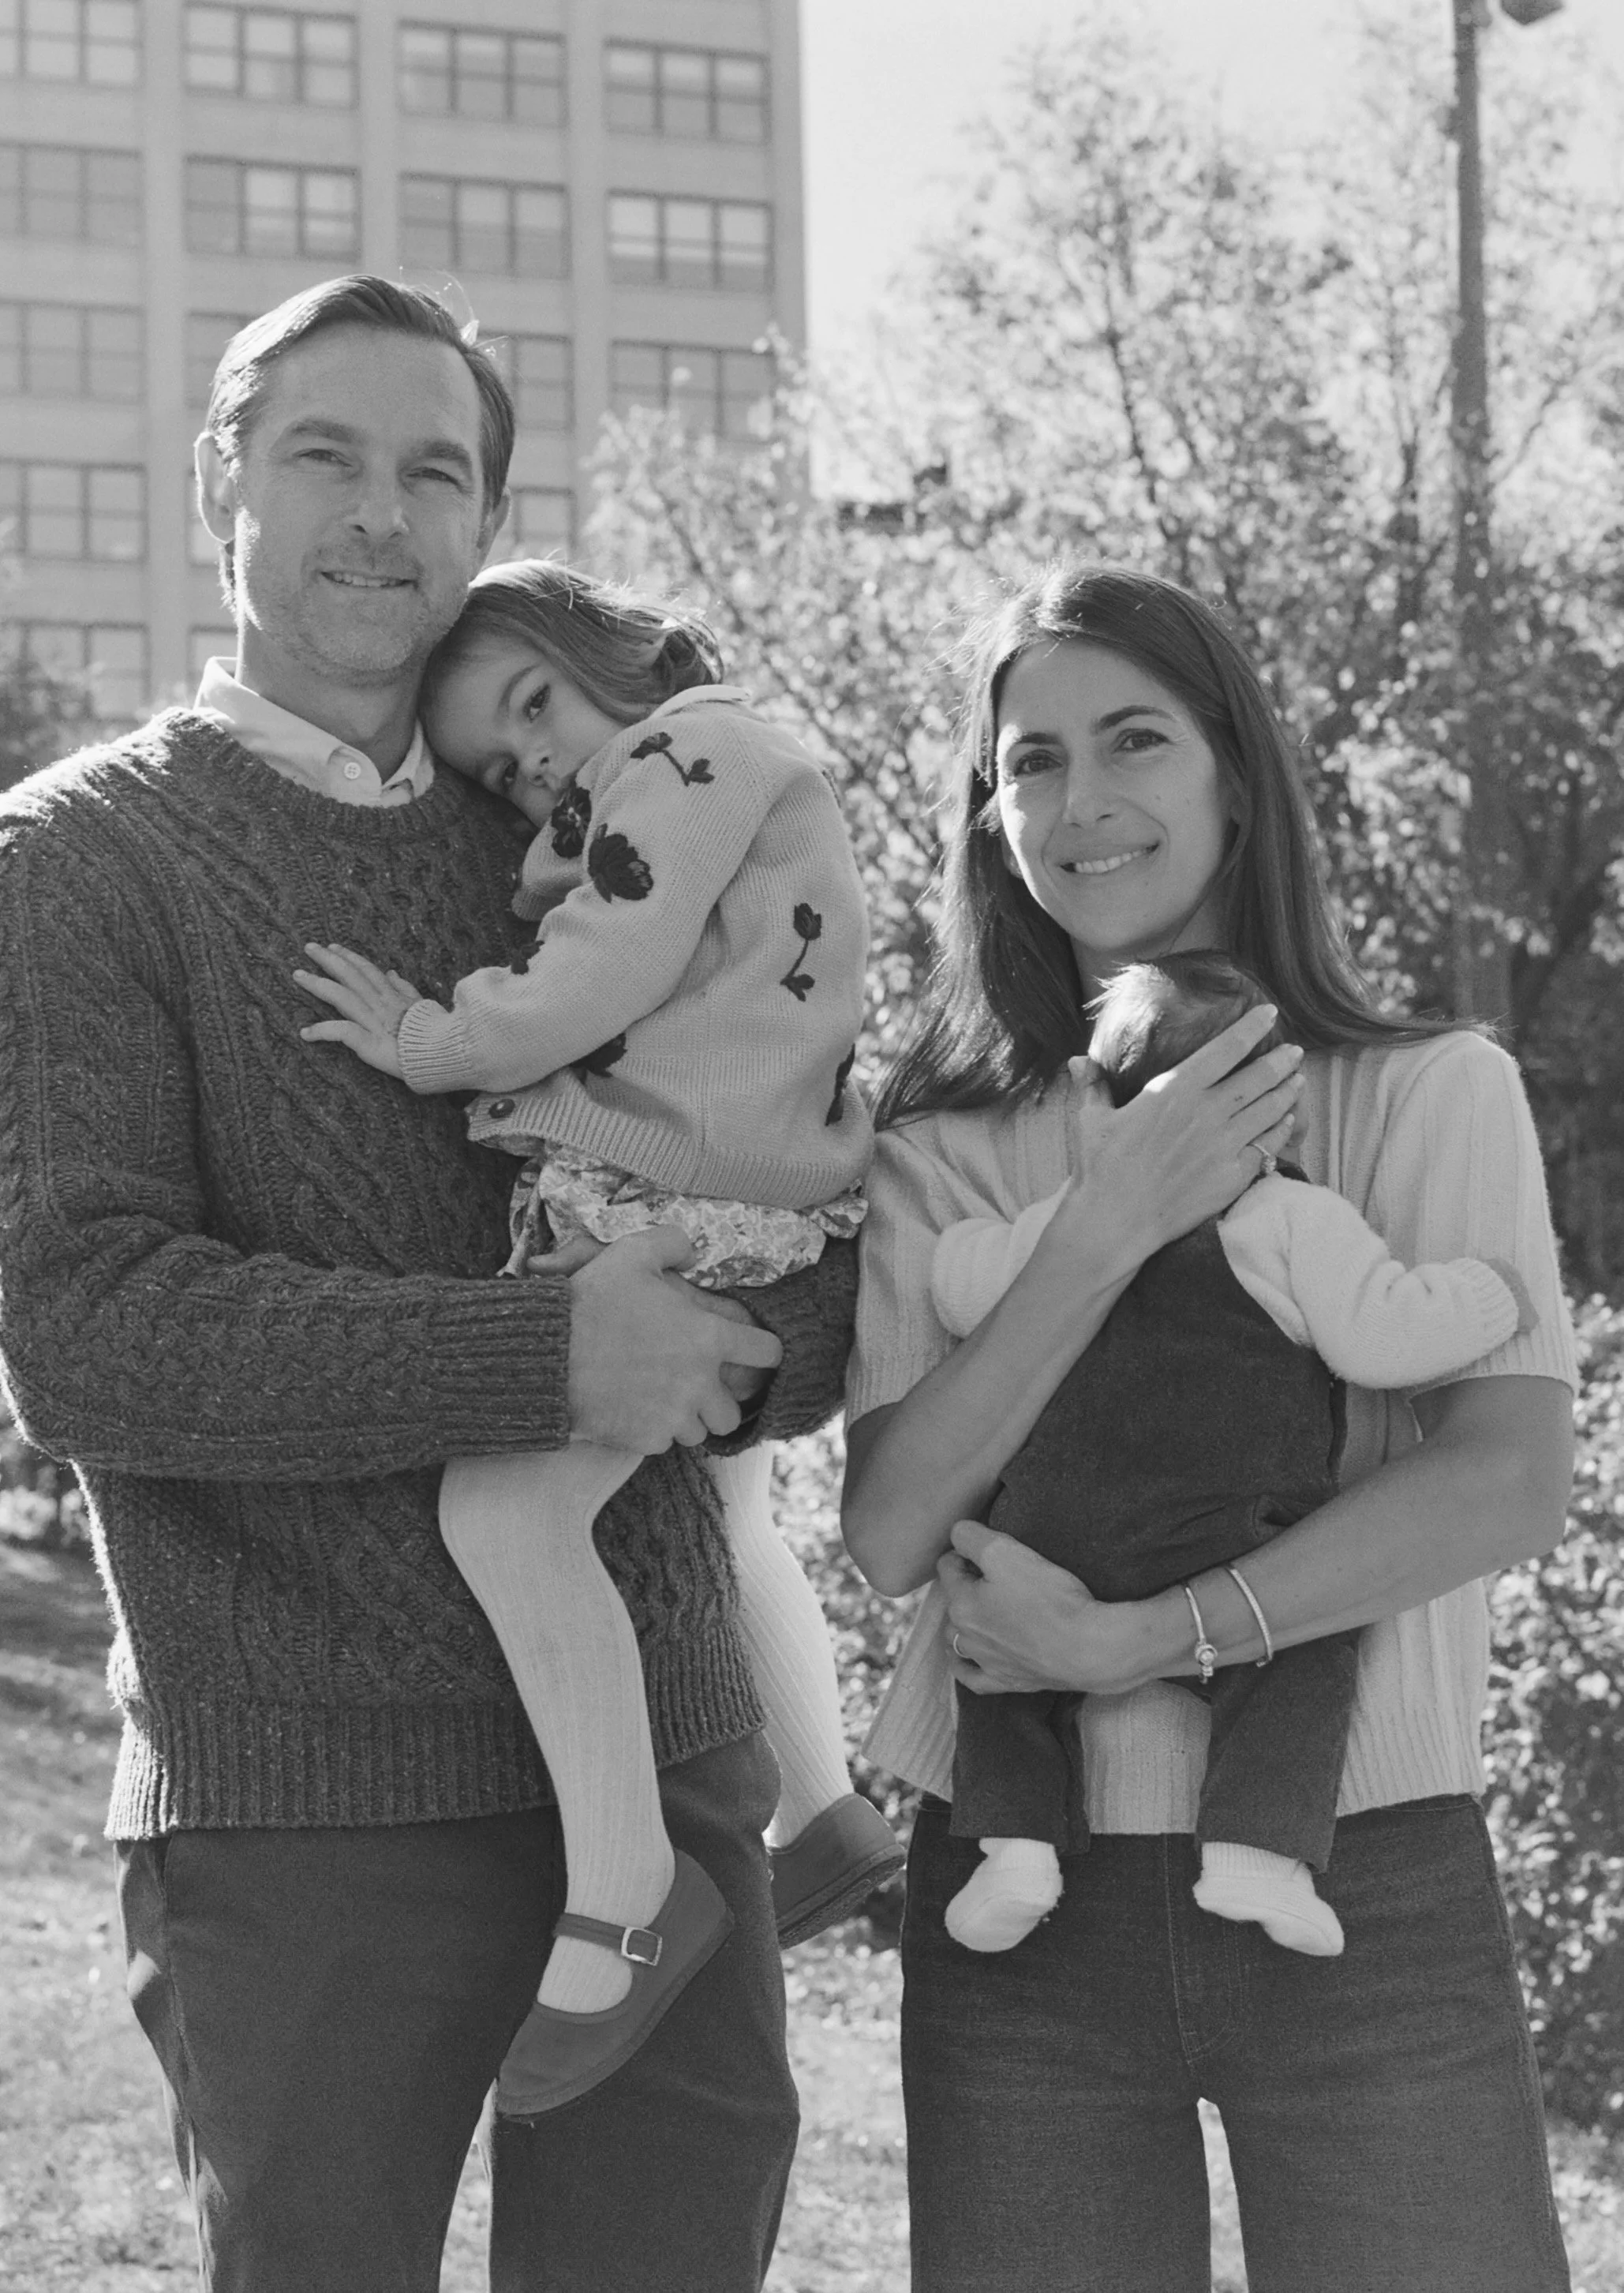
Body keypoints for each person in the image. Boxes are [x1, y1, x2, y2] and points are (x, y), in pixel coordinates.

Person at [0, 275, 858, 2293]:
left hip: (662, 1769)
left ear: (488, 522)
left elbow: (800, 1186)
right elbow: (89, 1330)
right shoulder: (75, 857)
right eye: (322, 457)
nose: (380, 513)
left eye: (434, 472)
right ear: (220, 486)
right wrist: (550, 1356)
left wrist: (750, 1337)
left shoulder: (590, 835)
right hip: (304, 1799)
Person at [840, 563, 1577, 2293]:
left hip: (1365, 1880)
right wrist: (1109, 1223)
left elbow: (1506, 1480)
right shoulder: (935, 1149)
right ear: (990, 813)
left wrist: (1142, 1640)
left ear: (1234, 778)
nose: (1079, 801)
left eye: (1133, 741)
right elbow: (888, 1530)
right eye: (1030, 762)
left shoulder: (1431, 1091)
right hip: (1016, 1908)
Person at [290, 559, 901, 2114]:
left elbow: (607, 962)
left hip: (694, 1190)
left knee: (503, 1511)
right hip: (748, 1180)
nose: (537, 764)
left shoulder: (687, 755)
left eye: (538, 707)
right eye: (504, 767)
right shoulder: (711, 769)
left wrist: (437, 1039)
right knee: (723, 1505)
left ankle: (626, 1895)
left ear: (620, 651)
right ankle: (826, 1811)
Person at [929, 949, 1530, 1961]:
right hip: (1229, 1535)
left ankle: (1015, 1851)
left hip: (1058, 1530)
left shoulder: (1059, 1226)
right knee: (1301, 1649)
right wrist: (1487, 1295)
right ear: (1275, 1112)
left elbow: (958, 1288)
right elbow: (1380, 1340)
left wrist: (964, 1250)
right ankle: (1254, 1853)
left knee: (1001, 1655)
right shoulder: (1291, 1218)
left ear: (1094, 1108)